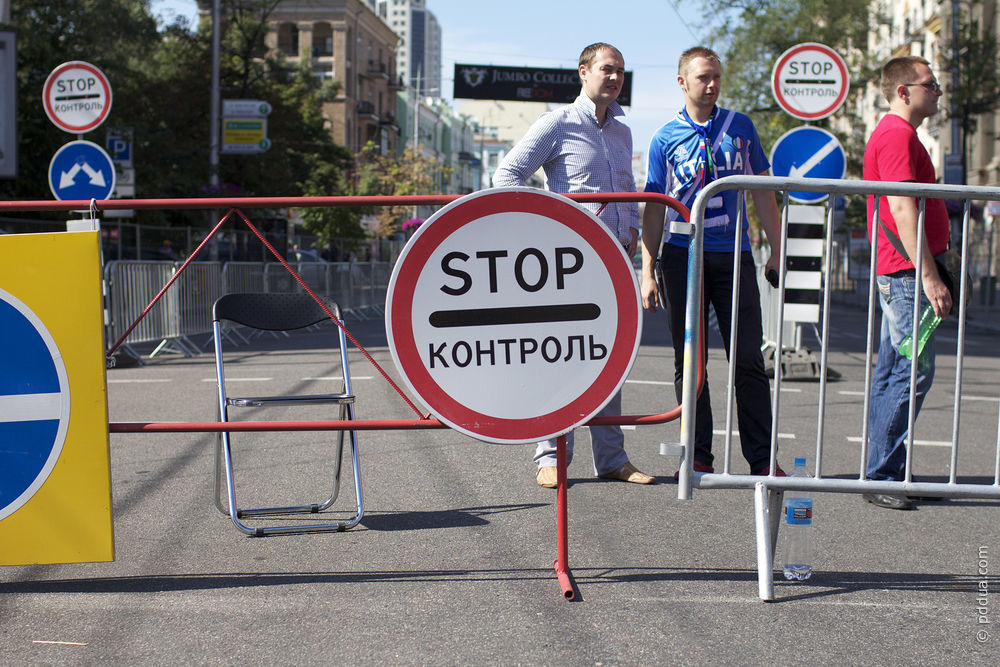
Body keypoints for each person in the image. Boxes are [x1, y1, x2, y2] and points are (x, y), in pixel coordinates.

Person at [493, 42, 653, 488]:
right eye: (607, 69)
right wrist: (544, 230)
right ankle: (550, 456)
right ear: (583, 72)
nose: (615, 77)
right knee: (559, 358)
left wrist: (637, 244)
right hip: (570, 264)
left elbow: (627, 190)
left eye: (621, 70)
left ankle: (613, 460)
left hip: (617, 260)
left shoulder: (622, 132)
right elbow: (505, 177)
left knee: (610, 359)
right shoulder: (557, 124)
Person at [639, 46, 785, 477]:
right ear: (682, 82)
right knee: (690, 360)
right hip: (682, 258)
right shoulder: (665, 137)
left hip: (734, 255)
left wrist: (778, 250)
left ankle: (761, 459)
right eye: (703, 77)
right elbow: (653, 205)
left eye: (717, 77)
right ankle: (697, 453)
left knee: (748, 360)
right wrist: (648, 270)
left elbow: (763, 191)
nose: (712, 84)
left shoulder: (740, 127)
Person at [862, 56, 951, 510]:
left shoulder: (898, 134)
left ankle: (883, 469)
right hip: (905, 273)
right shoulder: (897, 135)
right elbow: (900, 209)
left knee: (892, 371)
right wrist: (930, 276)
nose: (937, 91)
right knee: (912, 372)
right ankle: (881, 474)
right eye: (929, 84)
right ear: (903, 92)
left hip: (899, 270)